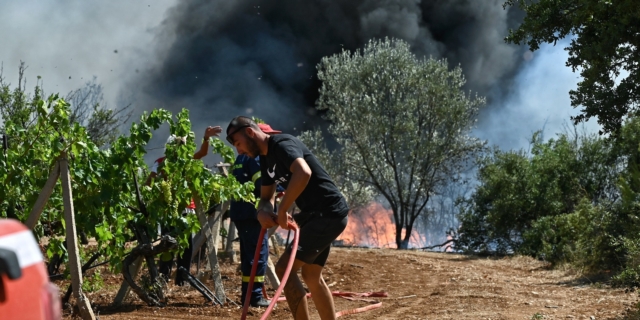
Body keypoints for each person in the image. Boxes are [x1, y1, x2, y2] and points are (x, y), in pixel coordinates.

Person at [226, 116, 349, 320]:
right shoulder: (265, 161)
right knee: (311, 275)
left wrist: (281, 210)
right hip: (316, 217)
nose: (239, 151)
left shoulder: (282, 144)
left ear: (250, 132)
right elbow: (266, 198)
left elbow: (303, 172)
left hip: (328, 214)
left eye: (238, 143)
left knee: (284, 269)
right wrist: (262, 211)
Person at [147, 125, 222, 285]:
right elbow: (149, 183)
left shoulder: (187, 162)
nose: (179, 149)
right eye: (178, 146)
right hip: (168, 210)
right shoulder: (160, 163)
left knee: (186, 246)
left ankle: (182, 279)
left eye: (182, 146)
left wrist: (206, 138)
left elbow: (202, 153)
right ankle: (164, 277)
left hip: (187, 210)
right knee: (167, 245)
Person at [229, 123, 283, 307]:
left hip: (241, 213)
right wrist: (281, 189)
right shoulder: (256, 158)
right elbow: (262, 184)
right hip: (253, 214)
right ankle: (254, 297)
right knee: (259, 255)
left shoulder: (241, 158)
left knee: (249, 256)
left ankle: (248, 296)